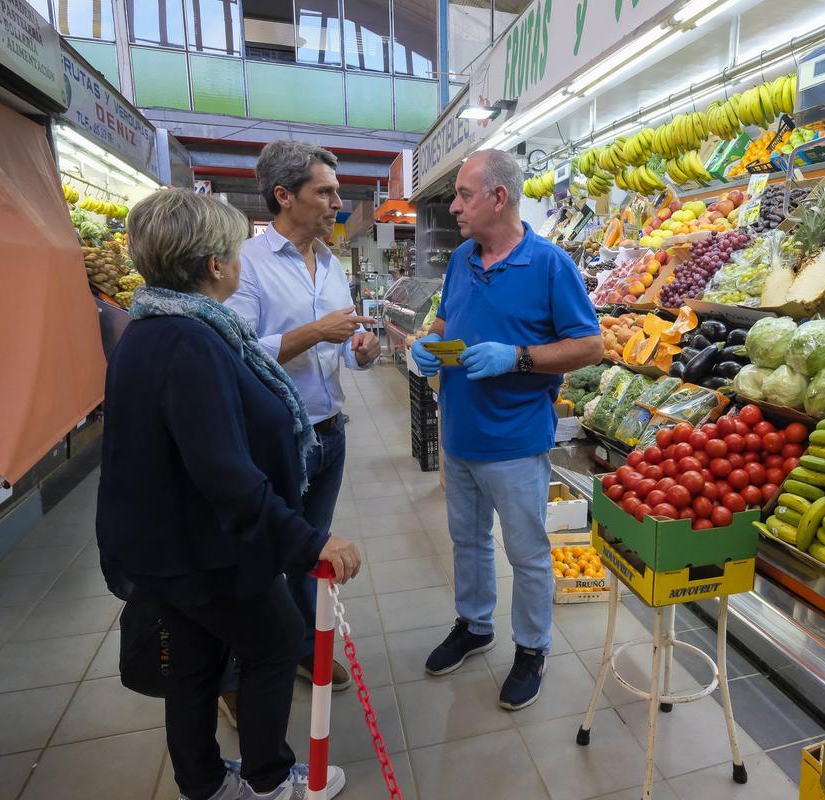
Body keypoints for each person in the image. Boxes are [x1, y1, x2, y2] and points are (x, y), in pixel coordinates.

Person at [97, 189, 359, 800]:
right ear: (215, 266)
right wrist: (309, 542)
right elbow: (224, 473)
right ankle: (270, 781)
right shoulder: (191, 342)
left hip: (169, 545)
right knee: (271, 642)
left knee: (197, 663)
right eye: (232, 250)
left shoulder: (150, 327)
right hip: (204, 549)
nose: (240, 259)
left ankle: (206, 783)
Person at [411, 150, 603, 710]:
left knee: (526, 550)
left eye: (464, 195)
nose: (454, 207)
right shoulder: (462, 260)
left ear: (499, 197)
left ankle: (532, 648)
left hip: (516, 441)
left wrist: (517, 358)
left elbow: (590, 345)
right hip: (460, 433)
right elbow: (447, 322)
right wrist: (430, 345)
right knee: (467, 540)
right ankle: (474, 625)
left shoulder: (549, 264)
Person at [225, 140, 379, 707]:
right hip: (273, 442)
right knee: (258, 560)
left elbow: (340, 352)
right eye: (326, 191)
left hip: (329, 432)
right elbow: (234, 354)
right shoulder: (245, 266)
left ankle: (298, 650)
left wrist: (358, 350)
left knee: (309, 552)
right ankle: (238, 677)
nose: (338, 202)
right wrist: (317, 332)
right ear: (284, 195)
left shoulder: (333, 265)